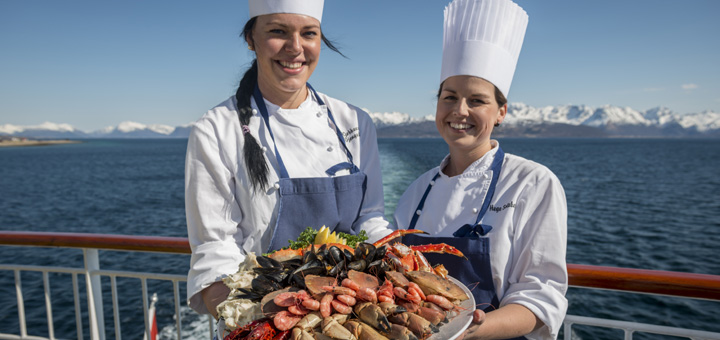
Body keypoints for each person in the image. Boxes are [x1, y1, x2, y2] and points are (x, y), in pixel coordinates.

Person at [184, 0, 393, 324]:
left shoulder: (354, 121)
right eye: (278, 32)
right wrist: (256, 321)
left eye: (308, 33)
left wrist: (395, 268)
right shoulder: (216, 130)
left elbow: (370, 218)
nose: (295, 48)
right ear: (251, 39)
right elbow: (216, 250)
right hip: (265, 319)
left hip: (350, 316)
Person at [393, 0, 568, 339]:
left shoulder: (533, 183)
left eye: (477, 100)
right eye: (449, 97)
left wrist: (469, 330)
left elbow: (542, 293)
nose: (459, 111)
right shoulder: (417, 190)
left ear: (501, 111)